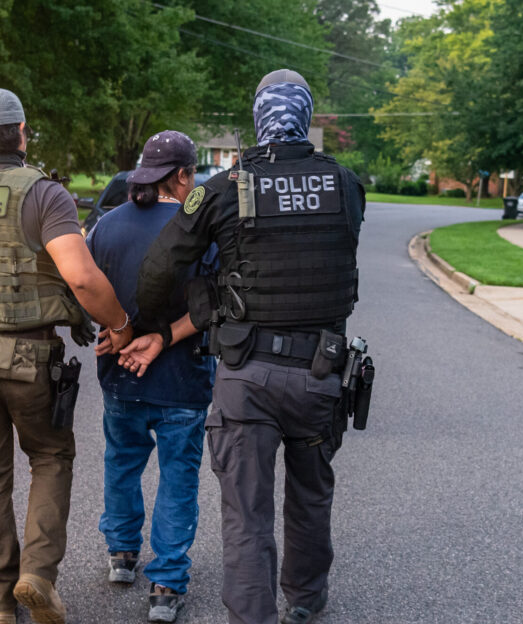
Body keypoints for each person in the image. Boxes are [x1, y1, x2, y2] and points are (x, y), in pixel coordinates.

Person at [134, 70, 365, 624]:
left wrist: (148, 324)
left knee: (246, 513)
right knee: (310, 496)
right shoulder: (345, 184)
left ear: (258, 119)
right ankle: (305, 600)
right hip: (321, 372)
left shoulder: (221, 190)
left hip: (247, 373)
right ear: (305, 117)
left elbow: (158, 270)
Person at [0, 87, 133, 624]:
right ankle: (36, 576)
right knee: (49, 457)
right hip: (28, 358)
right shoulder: (43, 193)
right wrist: (121, 326)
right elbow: (82, 278)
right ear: (21, 133)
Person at [84, 130, 216, 623]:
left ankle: (121, 554)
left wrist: (113, 329)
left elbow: (81, 286)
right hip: (183, 376)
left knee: (122, 462)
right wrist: (162, 336)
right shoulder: (200, 229)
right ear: (182, 176)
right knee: (178, 479)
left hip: (120, 374)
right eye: (193, 176)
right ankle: (166, 584)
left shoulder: (107, 226)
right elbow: (213, 306)